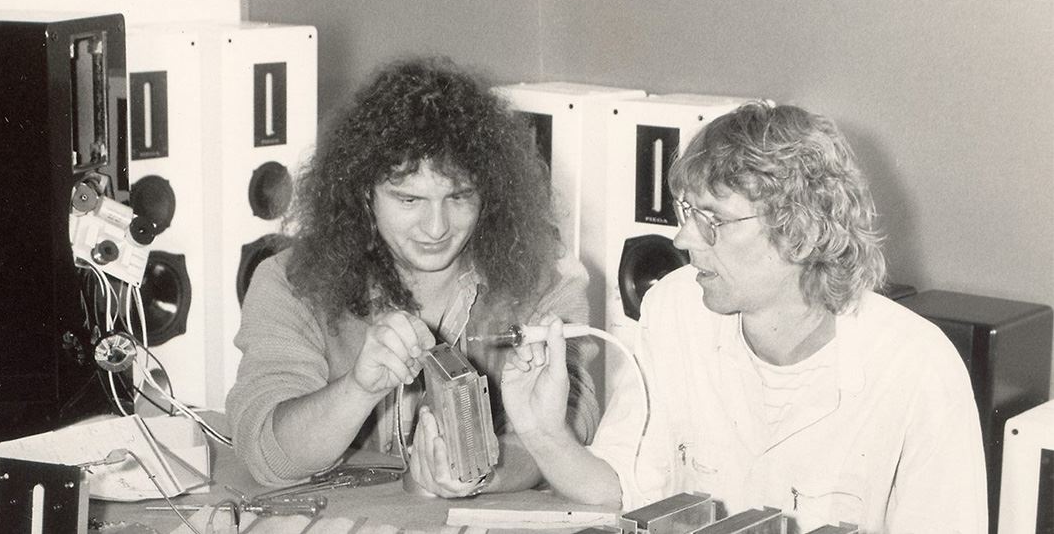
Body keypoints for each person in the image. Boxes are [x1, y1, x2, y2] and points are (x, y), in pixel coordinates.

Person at [500, 100, 986, 531]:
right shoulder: (675, 307)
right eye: (687, 212)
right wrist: (543, 432)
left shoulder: (918, 367)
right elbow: (623, 491)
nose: (683, 239)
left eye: (714, 219)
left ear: (801, 232)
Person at [225, 56, 601, 497]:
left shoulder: (547, 279)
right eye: (409, 200)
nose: (437, 227)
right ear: (363, 194)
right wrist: (358, 388)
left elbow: (573, 424)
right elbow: (266, 456)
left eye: (459, 197)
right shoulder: (291, 283)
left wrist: (482, 475)